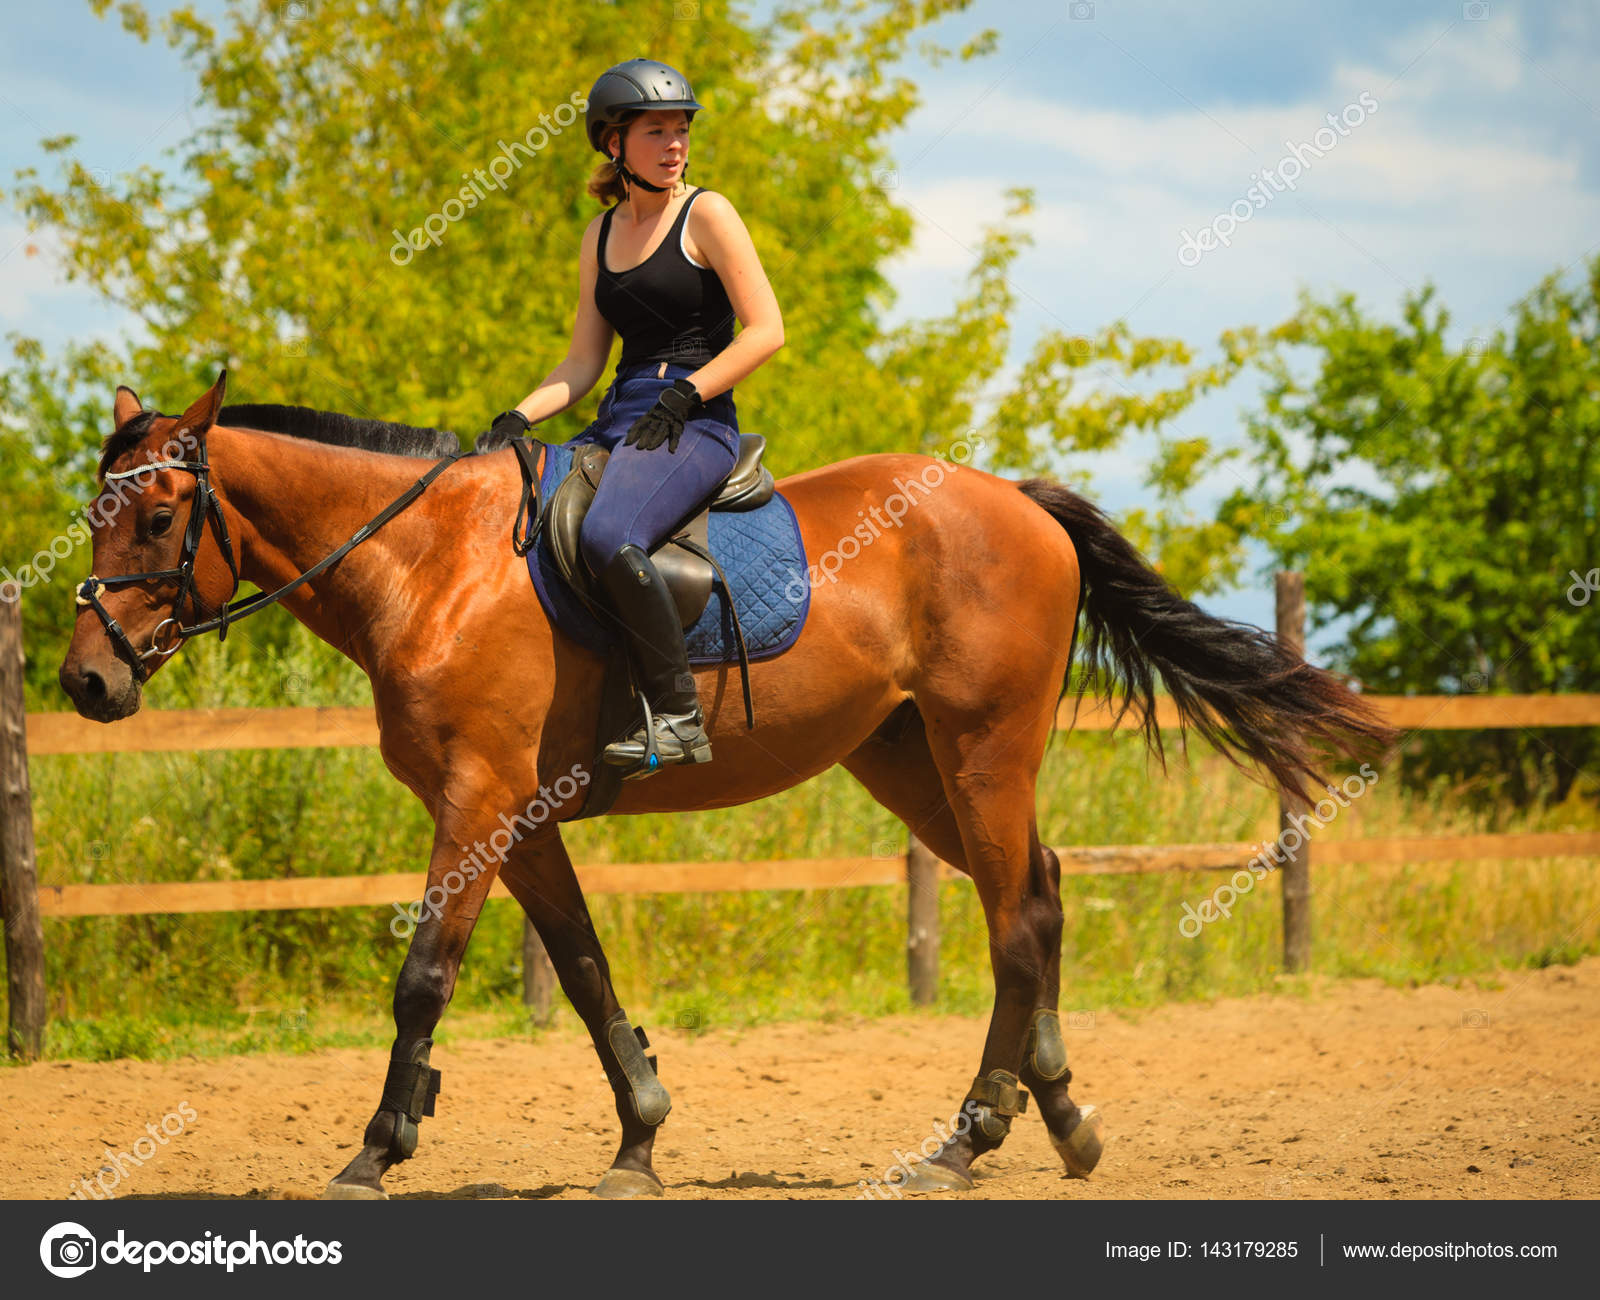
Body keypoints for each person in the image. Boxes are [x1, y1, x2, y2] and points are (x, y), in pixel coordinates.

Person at [484, 58, 784, 778]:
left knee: (611, 533)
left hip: (696, 426)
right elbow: (583, 363)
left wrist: (689, 394)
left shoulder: (707, 213)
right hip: (621, 420)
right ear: (614, 143)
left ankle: (678, 718)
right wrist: (515, 419)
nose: (676, 143)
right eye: (658, 130)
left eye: (682, 128)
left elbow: (766, 329)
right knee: (525, 525)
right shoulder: (599, 236)